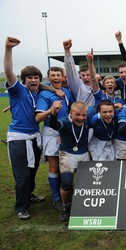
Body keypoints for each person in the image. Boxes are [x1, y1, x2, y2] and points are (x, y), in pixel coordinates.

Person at [4, 37, 45, 220]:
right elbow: (8, 71)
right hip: (19, 139)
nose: (34, 80)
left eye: (36, 77)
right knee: (22, 176)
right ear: (24, 80)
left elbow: (44, 87)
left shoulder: (38, 94)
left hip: (34, 138)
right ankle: (21, 206)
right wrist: (8, 48)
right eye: (30, 77)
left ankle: (29, 195)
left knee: (33, 170)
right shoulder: (19, 90)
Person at [35, 66, 74, 211]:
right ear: (49, 77)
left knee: (67, 164)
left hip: (66, 131)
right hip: (51, 132)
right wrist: (52, 109)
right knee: (54, 165)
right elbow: (38, 117)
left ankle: (66, 190)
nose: (56, 78)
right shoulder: (44, 94)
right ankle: (56, 197)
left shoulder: (67, 91)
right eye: (53, 75)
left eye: (59, 75)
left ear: (63, 77)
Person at [49, 101, 92, 222]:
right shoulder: (65, 121)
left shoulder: (87, 120)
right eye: (77, 115)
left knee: (85, 183)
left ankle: (82, 205)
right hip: (67, 154)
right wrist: (53, 113)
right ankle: (66, 207)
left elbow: (100, 109)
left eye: (84, 115)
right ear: (70, 113)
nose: (81, 118)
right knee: (67, 183)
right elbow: (54, 125)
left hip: (84, 154)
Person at [63, 39, 101, 106]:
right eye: (83, 75)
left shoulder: (99, 85)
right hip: (80, 114)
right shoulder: (78, 86)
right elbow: (71, 72)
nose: (85, 77)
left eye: (88, 75)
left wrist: (90, 63)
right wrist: (67, 51)